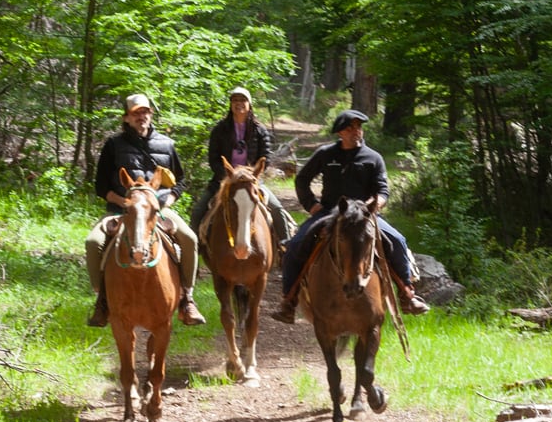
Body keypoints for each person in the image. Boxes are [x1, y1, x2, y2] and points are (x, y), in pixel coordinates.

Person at [270, 109, 429, 320]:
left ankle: (407, 294)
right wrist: (312, 205)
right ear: (340, 133)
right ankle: (288, 301)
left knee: (398, 241)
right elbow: (302, 180)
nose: (356, 131)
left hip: (364, 216)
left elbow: (382, 189)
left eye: (358, 127)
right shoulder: (325, 154)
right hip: (329, 213)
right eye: (350, 127)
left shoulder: (374, 158)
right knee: (295, 245)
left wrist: (376, 203)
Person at [85, 92, 205, 327]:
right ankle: (102, 300)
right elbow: (101, 186)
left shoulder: (166, 144)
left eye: (145, 112)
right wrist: (124, 204)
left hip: (157, 209)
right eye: (136, 113)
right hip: (121, 209)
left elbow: (180, 181)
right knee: (92, 242)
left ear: (150, 114)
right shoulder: (113, 145)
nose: (142, 116)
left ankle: (187, 299)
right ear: (126, 118)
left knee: (189, 239)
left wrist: (167, 201)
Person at [190, 87, 294, 250]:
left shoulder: (260, 130)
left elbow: (265, 157)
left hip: (251, 181)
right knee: (198, 212)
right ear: (230, 105)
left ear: (249, 104)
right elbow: (213, 159)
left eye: (242, 100)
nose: (239, 104)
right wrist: (229, 176)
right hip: (224, 180)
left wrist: (251, 174)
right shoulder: (220, 130)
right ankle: (198, 251)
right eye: (235, 100)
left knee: (278, 209)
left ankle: (286, 250)